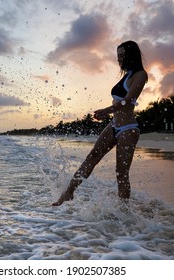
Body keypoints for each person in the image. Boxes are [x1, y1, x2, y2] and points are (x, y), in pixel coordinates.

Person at [52, 40, 148, 206]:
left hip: (128, 129)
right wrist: (109, 113)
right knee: (92, 156)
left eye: (122, 56)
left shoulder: (140, 75)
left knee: (121, 173)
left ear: (131, 56)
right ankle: (69, 192)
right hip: (114, 125)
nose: (119, 60)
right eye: (117, 56)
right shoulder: (126, 75)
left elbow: (129, 99)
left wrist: (107, 110)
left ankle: (124, 210)